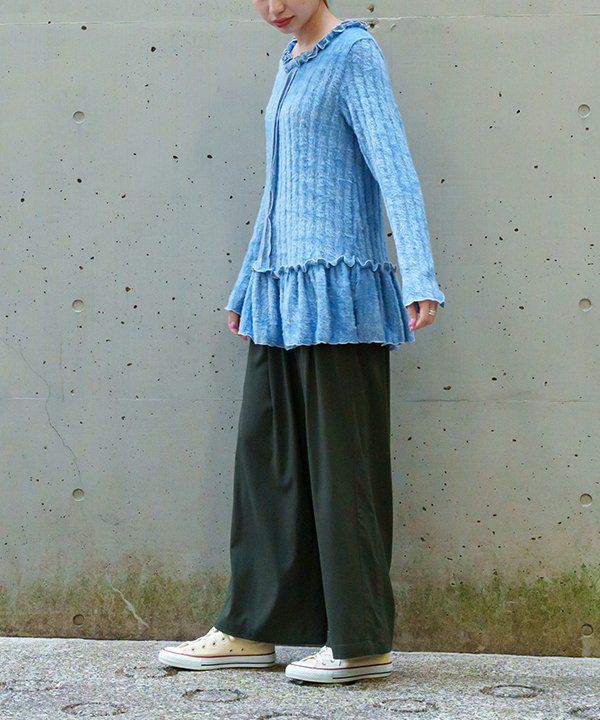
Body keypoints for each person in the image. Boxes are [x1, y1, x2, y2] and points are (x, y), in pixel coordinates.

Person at [159, 0, 446, 685]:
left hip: (339, 297)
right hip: (279, 293)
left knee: (342, 473)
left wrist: (419, 273)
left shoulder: (353, 54)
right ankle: (251, 627)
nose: (274, 7)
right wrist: (244, 285)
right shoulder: (291, 62)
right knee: (266, 465)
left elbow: (394, 167)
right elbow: (279, 189)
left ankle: (359, 640)